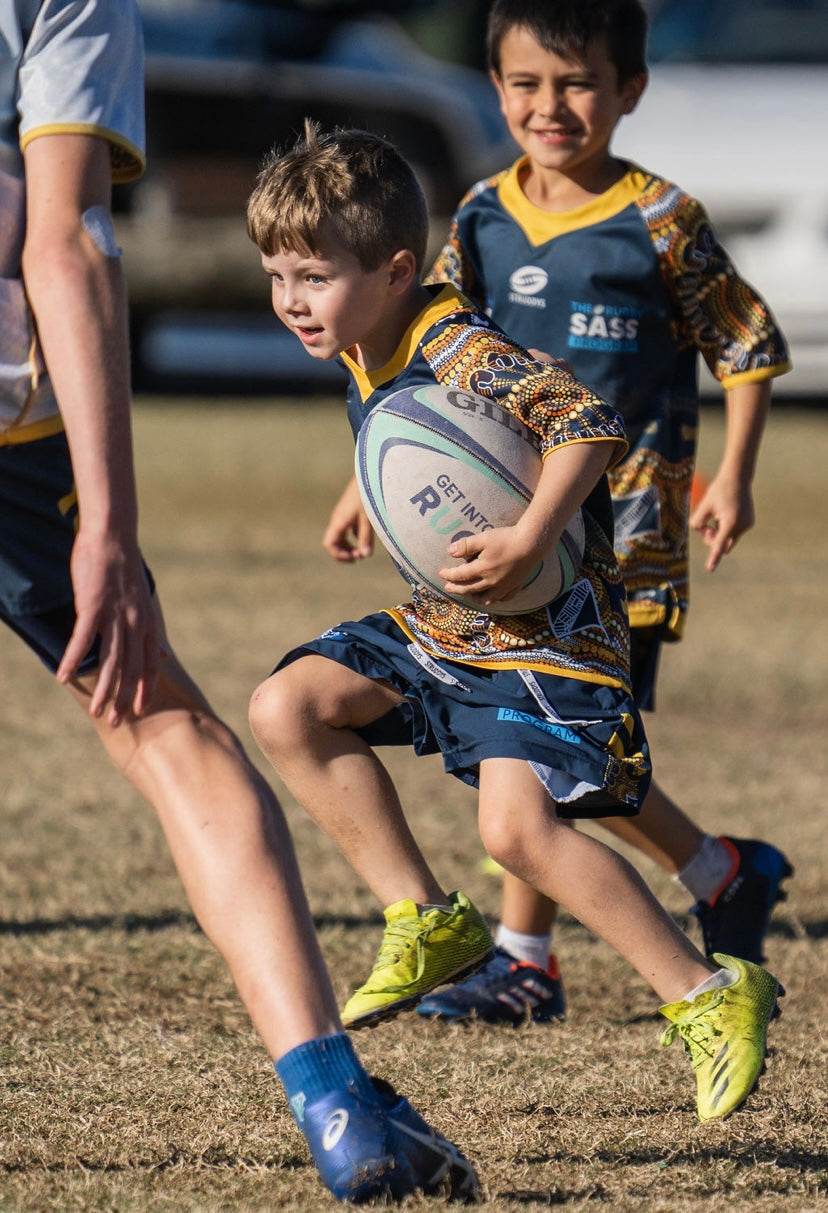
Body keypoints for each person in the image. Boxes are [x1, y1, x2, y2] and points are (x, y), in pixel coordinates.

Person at [0, 2, 479, 1203]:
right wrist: (106, 522)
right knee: (168, 735)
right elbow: (67, 241)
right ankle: (333, 1103)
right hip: (18, 427)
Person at [245, 118, 783, 1123]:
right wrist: (370, 489)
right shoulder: (366, 339)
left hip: (548, 630)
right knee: (289, 706)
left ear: (398, 270)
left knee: (518, 831)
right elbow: (434, 448)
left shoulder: (450, 338)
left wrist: (534, 533)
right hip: (454, 619)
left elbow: (586, 421)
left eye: (312, 277)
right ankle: (427, 914)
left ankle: (711, 995)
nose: (291, 301)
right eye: (279, 275)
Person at [411, 0, 794, 1027]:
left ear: (630, 90)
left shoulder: (662, 221)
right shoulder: (482, 214)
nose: (551, 105)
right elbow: (429, 365)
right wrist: (368, 483)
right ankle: (716, 872)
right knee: (543, 748)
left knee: (551, 754)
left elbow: (746, 345)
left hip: (626, 537)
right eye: (527, 84)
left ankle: (534, 954)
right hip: (511, 527)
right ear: (495, 88)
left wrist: (736, 476)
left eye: (577, 83)